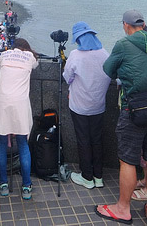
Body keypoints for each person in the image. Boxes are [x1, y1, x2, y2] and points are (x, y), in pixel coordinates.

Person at [96, 10, 147, 226]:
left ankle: (123, 209)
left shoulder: (123, 44)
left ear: (126, 25)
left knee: (128, 159)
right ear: (143, 25)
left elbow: (108, 69)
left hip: (133, 108)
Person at [63, 22, 111, 190]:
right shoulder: (104, 53)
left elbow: (67, 77)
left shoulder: (75, 55)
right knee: (97, 140)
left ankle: (87, 177)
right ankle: (98, 177)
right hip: (99, 105)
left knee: (84, 140)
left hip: (79, 106)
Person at [0, 38, 39, 201]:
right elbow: (36, 65)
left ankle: (3, 183)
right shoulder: (30, 58)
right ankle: (26, 185)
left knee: (1, 142)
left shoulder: (4, 55)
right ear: (26, 48)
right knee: (23, 144)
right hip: (20, 104)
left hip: (2, 102)